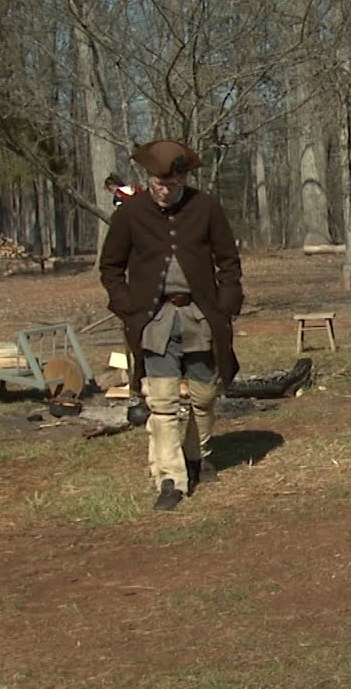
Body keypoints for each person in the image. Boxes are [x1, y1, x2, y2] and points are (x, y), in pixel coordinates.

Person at [99, 140, 243, 511]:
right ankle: (170, 479)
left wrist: (226, 303)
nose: (166, 191)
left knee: (204, 395)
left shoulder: (206, 207)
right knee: (161, 403)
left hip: (199, 315)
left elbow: (228, 261)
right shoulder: (130, 214)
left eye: (174, 185)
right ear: (149, 180)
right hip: (155, 318)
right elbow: (110, 267)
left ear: (183, 179)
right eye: (160, 184)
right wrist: (127, 306)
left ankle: (197, 455)